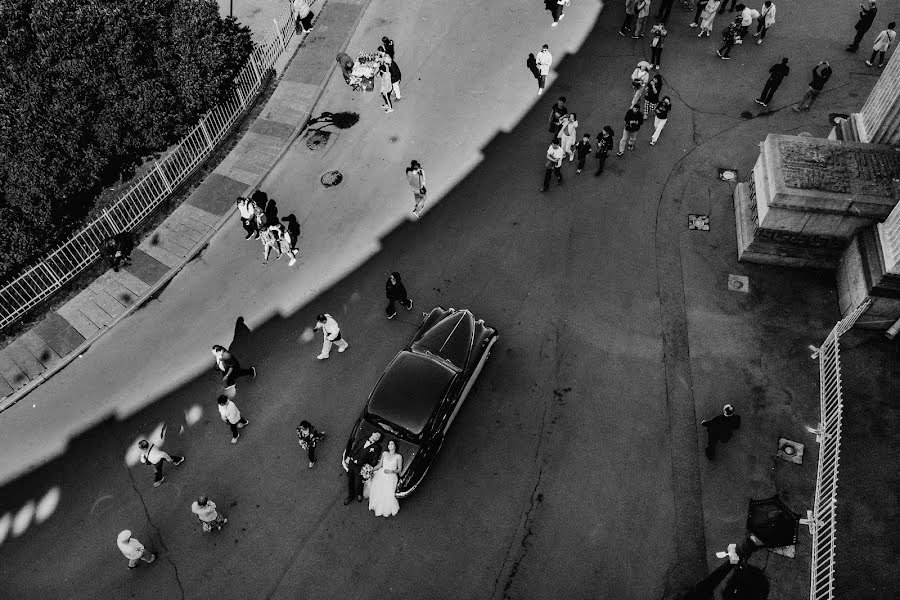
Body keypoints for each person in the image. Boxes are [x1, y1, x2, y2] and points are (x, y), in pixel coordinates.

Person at [344, 431, 382, 504]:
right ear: (372, 433)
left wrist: (367, 467)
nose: (377, 437)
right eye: (376, 434)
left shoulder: (377, 447)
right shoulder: (363, 439)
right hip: (352, 463)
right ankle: (350, 495)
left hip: (361, 466)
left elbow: (374, 459)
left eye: (378, 437)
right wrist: (349, 457)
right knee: (350, 480)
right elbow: (355, 448)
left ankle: (359, 494)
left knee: (358, 482)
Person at [368, 440, 402, 517]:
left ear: (395, 446)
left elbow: (399, 469)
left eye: (392, 444)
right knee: (378, 488)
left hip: (391, 475)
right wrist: (372, 469)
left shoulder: (398, 457)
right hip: (382, 472)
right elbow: (380, 465)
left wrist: (391, 471)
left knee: (387, 492)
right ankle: (377, 503)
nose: (390, 445)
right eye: (389, 444)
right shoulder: (384, 453)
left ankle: (384, 507)